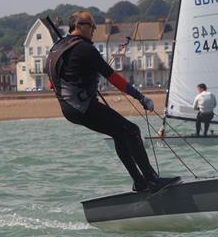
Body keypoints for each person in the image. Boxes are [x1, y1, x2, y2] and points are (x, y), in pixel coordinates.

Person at [46, 11, 178, 192]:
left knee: (120, 133)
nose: (94, 30)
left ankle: (140, 182)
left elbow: (52, 83)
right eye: (91, 26)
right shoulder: (84, 48)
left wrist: (83, 80)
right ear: (78, 26)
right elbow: (113, 77)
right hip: (83, 106)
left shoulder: (56, 49)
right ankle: (151, 179)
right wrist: (140, 97)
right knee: (132, 131)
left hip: (69, 108)